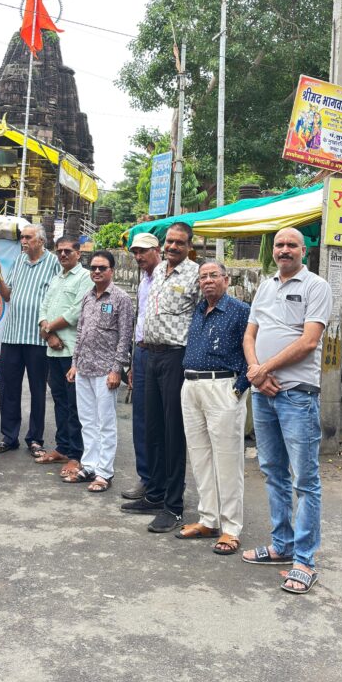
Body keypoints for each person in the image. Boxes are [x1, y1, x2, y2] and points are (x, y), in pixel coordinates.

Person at [242, 227, 332, 595]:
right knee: (272, 471)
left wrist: (264, 369)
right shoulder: (265, 286)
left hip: (297, 395)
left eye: (291, 245)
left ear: (303, 250)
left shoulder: (316, 286)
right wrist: (256, 372)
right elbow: (250, 334)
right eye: (279, 244)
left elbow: (309, 341)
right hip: (263, 393)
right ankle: (282, 545)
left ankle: (305, 561)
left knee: (305, 481)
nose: (284, 250)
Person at [121, 222, 199, 533]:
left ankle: (173, 505)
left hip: (175, 357)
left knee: (172, 431)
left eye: (180, 242)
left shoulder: (195, 274)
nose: (173, 247)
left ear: (189, 245)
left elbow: (203, 316)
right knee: (151, 428)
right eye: (170, 242)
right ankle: (154, 495)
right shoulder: (155, 273)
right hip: (148, 355)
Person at [177, 262, 250, 554]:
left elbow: (252, 350)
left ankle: (231, 528)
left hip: (222, 387)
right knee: (199, 456)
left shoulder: (240, 311)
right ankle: (208, 519)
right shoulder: (198, 309)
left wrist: (239, 388)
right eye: (203, 276)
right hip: (191, 385)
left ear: (226, 280)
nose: (208, 280)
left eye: (213, 275)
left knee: (228, 460)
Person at [64, 251, 134, 493]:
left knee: (105, 423)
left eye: (102, 268)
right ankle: (89, 466)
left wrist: (117, 370)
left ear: (111, 270)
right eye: (93, 267)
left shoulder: (121, 298)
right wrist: (74, 363)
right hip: (84, 368)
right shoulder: (87, 296)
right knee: (87, 422)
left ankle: (104, 472)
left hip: (106, 370)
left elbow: (125, 337)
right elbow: (80, 332)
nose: (96, 271)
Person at [0, 224, 60, 456]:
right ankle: (9, 437)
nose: (23, 241)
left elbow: (59, 298)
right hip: (12, 334)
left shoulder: (53, 263)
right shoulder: (19, 260)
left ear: (41, 241)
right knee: (9, 388)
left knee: (38, 390)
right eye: (22, 237)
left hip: (38, 337)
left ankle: (35, 439)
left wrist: (52, 330)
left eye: (28, 237)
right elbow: (7, 295)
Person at [35, 238, 93, 478]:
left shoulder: (85, 277)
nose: (62, 255)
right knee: (59, 400)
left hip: (72, 351)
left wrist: (49, 329)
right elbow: (43, 307)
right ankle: (62, 447)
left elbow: (77, 312)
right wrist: (48, 333)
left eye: (68, 251)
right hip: (53, 348)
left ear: (78, 253)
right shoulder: (56, 278)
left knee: (74, 404)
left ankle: (76, 455)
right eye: (59, 251)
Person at [121, 232, 162, 501]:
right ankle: (146, 477)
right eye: (135, 252)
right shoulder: (144, 280)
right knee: (141, 419)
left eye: (143, 251)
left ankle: (161, 481)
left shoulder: (166, 278)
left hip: (163, 353)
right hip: (142, 352)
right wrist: (133, 362)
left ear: (157, 250)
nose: (138, 257)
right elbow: (140, 321)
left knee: (160, 421)